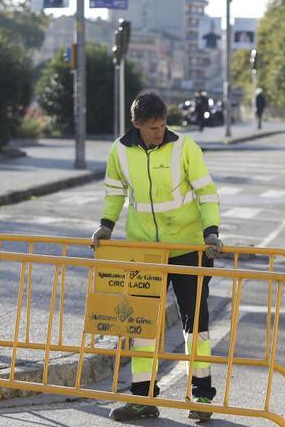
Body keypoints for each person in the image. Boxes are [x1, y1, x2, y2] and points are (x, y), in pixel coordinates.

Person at [92, 92, 223, 422]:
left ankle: (201, 397)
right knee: (142, 326)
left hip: (189, 248)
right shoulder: (120, 151)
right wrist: (105, 227)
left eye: (163, 125)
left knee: (197, 327)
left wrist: (211, 231)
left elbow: (206, 192)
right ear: (136, 124)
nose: (159, 132)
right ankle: (143, 399)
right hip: (145, 252)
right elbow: (114, 192)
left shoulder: (184, 147)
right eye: (152, 128)